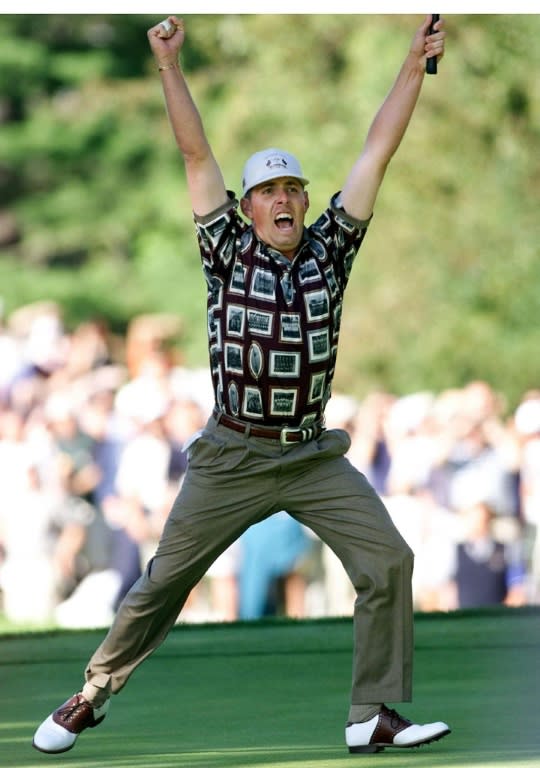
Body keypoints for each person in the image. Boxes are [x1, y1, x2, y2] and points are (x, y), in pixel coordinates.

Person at [33, 14, 450, 756]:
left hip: (313, 456)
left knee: (388, 560)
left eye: (295, 187)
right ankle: (91, 694)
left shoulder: (331, 251)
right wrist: (168, 66)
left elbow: (377, 150)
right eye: (270, 190)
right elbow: (195, 152)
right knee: (164, 581)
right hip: (232, 455)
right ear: (248, 205)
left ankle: (369, 715)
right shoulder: (226, 251)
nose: (285, 198)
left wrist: (414, 64)